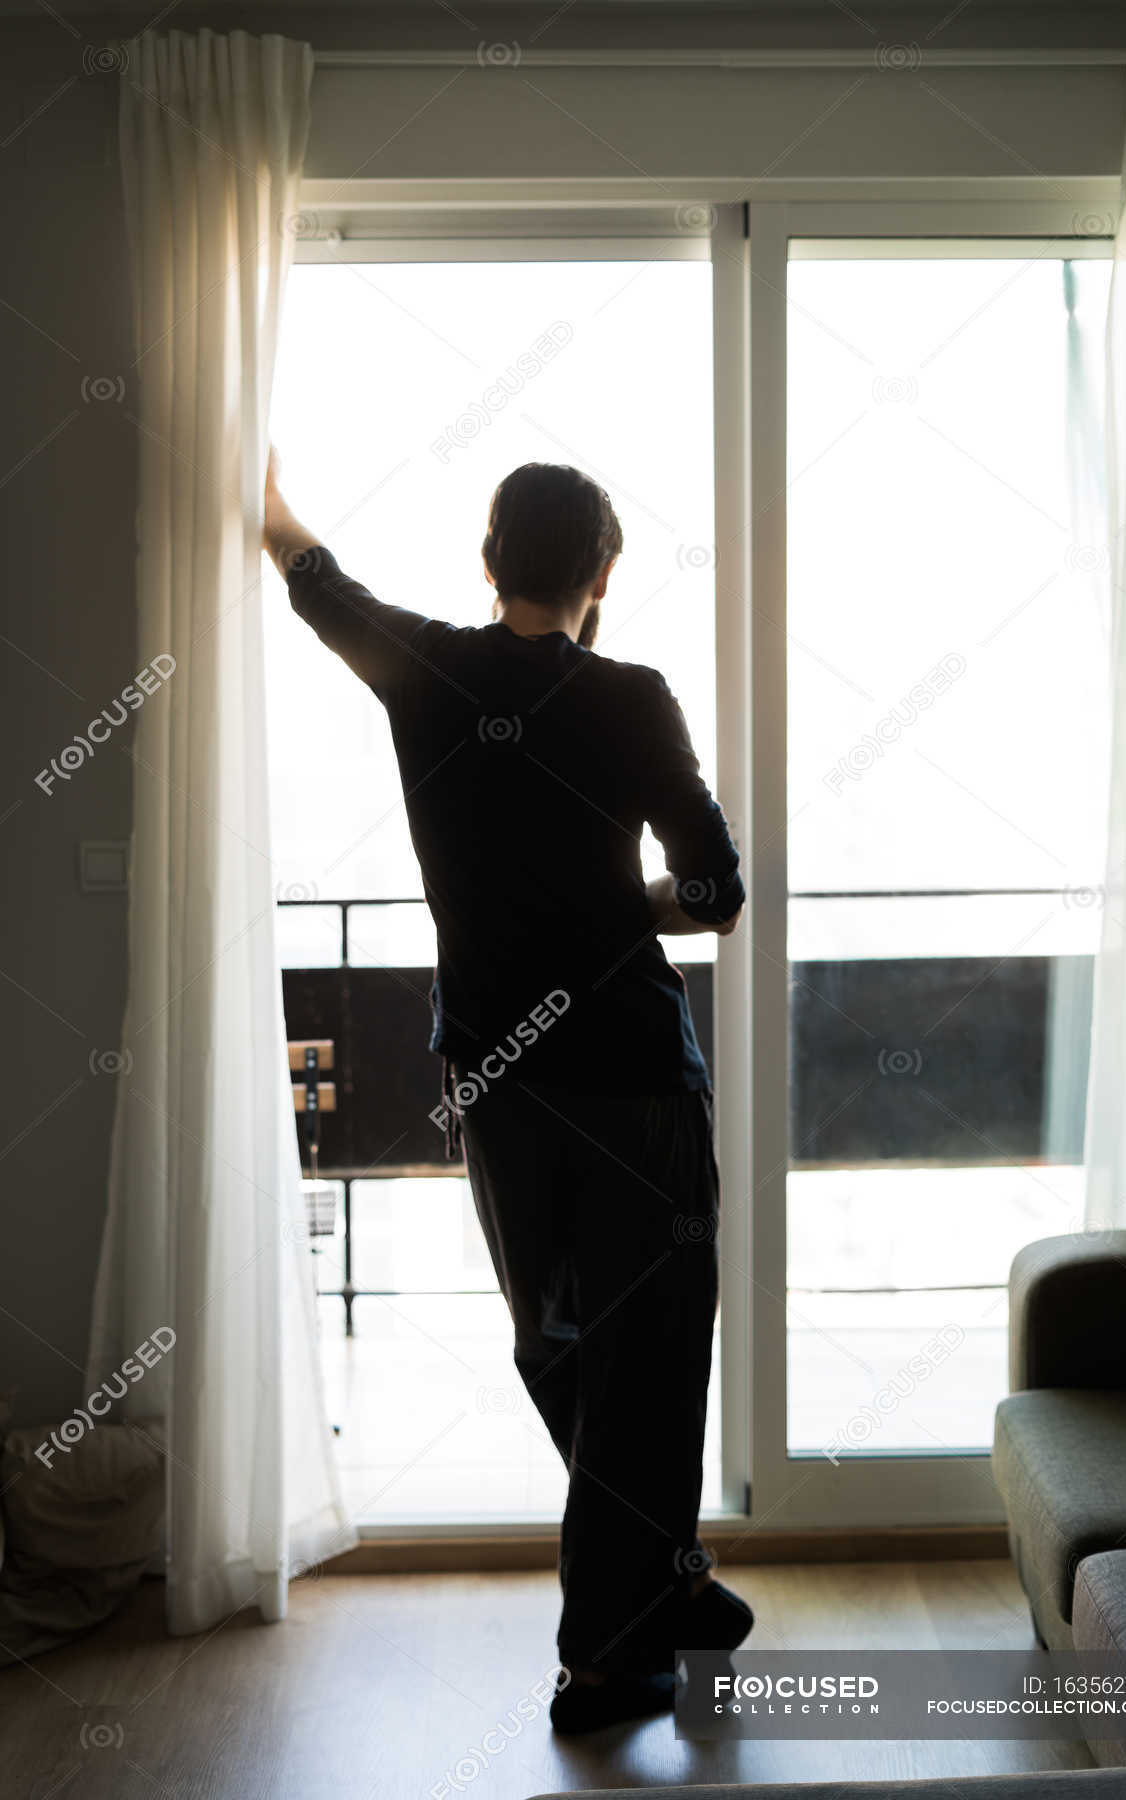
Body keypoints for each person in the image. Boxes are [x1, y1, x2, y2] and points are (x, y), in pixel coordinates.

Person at [263, 452, 753, 1733]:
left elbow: (320, 589)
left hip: (496, 1077)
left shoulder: (428, 670)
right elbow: (715, 896)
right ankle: (603, 1658)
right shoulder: (633, 696)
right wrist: (620, 904)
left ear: (489, 564)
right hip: (635, 1076)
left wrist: (266, 503)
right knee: (644, 1360)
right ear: (601, 573)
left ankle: (669, 1579)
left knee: (561, 1344)